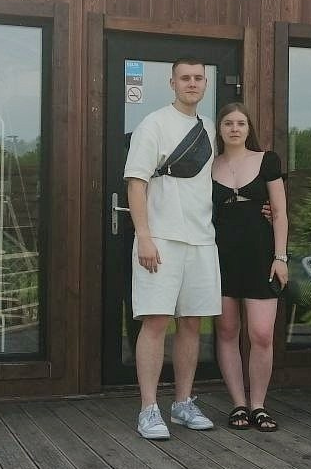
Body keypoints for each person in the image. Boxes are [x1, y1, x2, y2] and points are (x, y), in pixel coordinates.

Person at [123, 59, 220, 440]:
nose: (192, 83)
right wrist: (144, 235)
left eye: (198, 78)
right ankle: (148, 409)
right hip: (161, 238)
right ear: (172, 83)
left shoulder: (208, 128)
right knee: (156, 321)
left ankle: (182, 403)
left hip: (201, 239)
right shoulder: (154, 124)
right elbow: (136, 183)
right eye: (185, 78)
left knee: (192, 323)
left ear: (205, 83)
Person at [211, 103, 288, 432]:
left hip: (260, 256)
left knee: (261, 334)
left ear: (248, 128)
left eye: (241, 123)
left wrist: (280, 257)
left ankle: (258, 405)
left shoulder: (267, 160)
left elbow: (280, 213)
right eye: (228, 123)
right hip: (220, 257)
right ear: (220, 129)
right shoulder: (209, 165)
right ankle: (238, 404)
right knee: (227, 332)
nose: (234, 128)